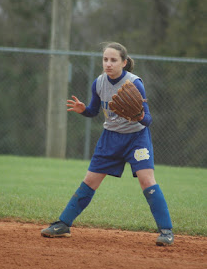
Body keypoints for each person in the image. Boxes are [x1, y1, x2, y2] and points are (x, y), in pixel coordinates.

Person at [41, 42, 174, 246]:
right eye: (105, 59)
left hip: (136, 139)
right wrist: (83, 109)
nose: (108, 64)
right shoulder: (99, 83)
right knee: (90, 180)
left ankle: (166, 231)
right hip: (110, 138)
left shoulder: (134, 83)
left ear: (124, 62)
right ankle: (63, 224)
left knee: (147, 181)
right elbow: (94, 111)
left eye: (113, 60)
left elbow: (148, 120)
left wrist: (138, 115)